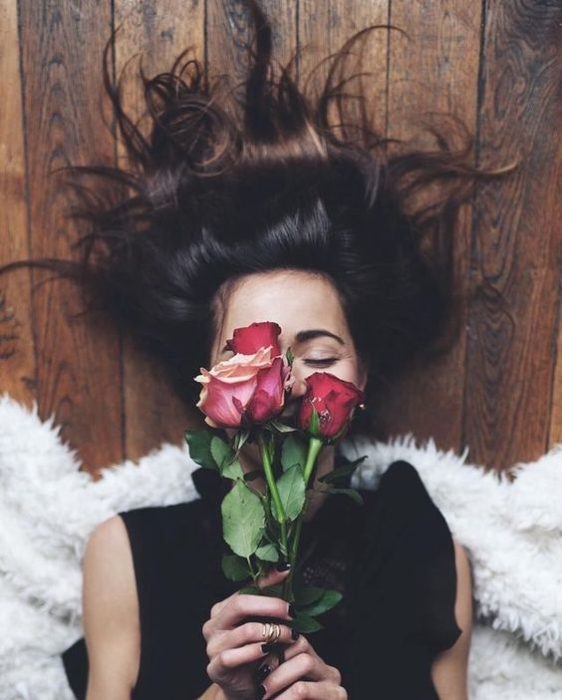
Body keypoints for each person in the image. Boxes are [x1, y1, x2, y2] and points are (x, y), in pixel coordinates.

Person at [2, 1, 496, 697]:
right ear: (210, 388)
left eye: (320, 355)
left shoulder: (424, 551)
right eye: (256, 359)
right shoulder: (129, 554)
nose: (290, 383)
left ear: (363, 375)